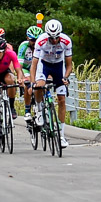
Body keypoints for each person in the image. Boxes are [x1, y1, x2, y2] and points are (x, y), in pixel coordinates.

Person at [30, 19, 74, 149]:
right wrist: (33, 82)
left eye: (56, 38)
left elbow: (69, 65)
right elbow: (34, 64)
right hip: (44, 66)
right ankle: (38, 109)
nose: (54, 41)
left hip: (58, 67)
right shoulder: (41, 41)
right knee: (39, 85)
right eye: (51, 38)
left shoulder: (66, 41)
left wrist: (65, 77)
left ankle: (61, 135)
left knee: (61, 100)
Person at [18, 26, 43, 118]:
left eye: (37, 40)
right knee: (28, 85)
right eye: (32, 40)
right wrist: (20, 78)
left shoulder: (42, 46)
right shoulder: (23, 46)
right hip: (26, 69)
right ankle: (27, 110)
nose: (35, 42)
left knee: (42, 85)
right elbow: (19, 65)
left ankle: (41, 107)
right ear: (27, 38)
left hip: (37, 69)